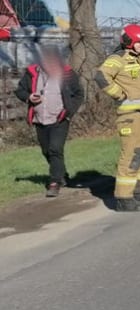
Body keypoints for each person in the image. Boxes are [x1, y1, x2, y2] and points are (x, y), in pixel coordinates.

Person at [96, 24, 140, 212]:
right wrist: (119, 94)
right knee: (131, 154)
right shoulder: (118, 59)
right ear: (129, 42)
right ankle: (123, 197)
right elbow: (101, 76)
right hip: (130, 116)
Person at [14, 45, 84, 197]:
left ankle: (54, 182)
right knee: (47, 151)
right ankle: (62, 175)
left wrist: (68, 112)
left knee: (55, 149)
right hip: (40, 119)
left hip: (59, 118)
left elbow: (78, 94)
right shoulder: (32, 72)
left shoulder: (67, 73)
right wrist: (29, 97)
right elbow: (20, 90)